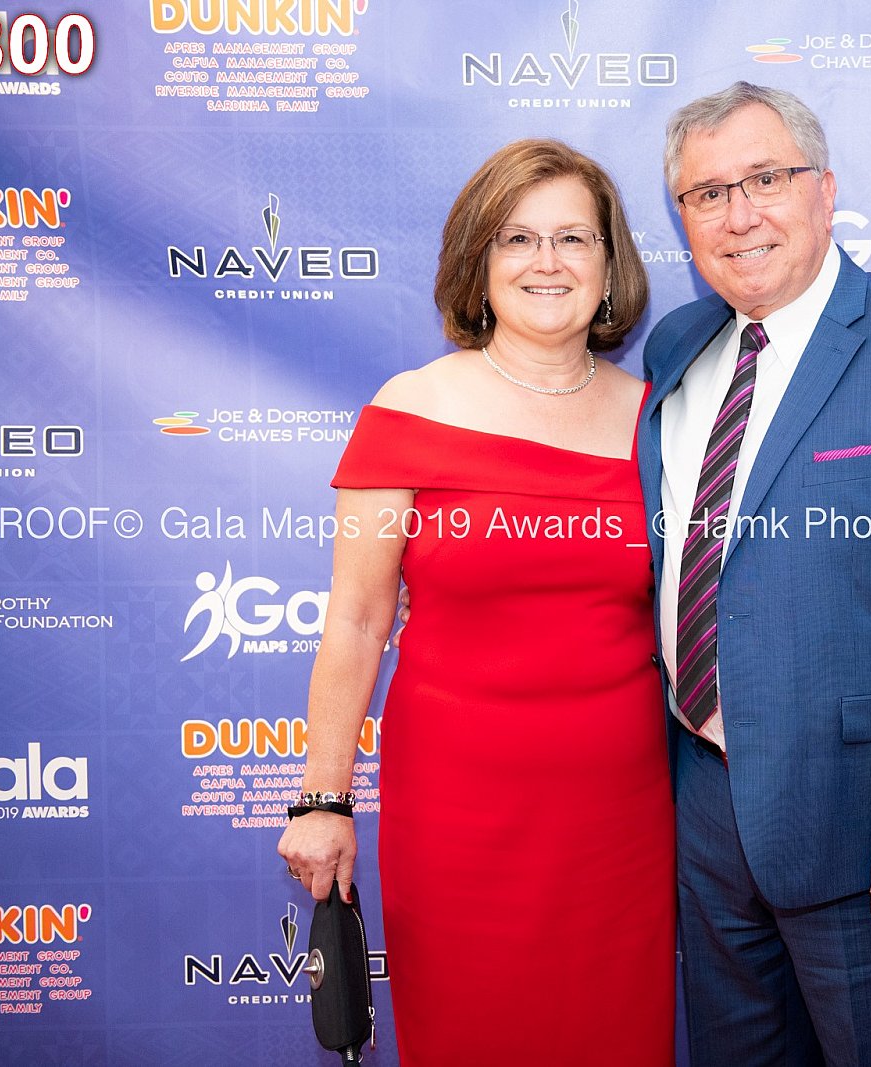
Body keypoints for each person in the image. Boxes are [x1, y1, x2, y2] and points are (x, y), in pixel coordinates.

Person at [640, 83, 871, 1067]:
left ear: (825, 189)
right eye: (707, 193)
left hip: (865, 823)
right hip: (705, 810)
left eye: (766, 179)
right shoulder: (678, 348)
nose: (739, 215)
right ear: (682, 219)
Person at [277, 139, 673, 1066]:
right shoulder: (411, 408)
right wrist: (323, 797)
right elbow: (357, 620)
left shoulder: (661, 418)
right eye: (517, 238)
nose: (547, 261)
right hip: (457, 809)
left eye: (573, 238)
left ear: (610, 263)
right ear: (478, 263)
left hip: (621, 813)